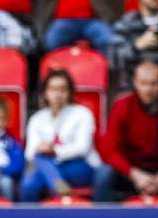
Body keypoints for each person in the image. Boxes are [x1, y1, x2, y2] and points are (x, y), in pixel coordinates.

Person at [95, 61, 158, 202]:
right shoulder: (122, 106)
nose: (148, 89)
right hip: (131, 174)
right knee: (104, 173)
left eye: (153, 83)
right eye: (143, 83)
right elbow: (109, 150)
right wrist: (134, 174)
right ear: (135, 83)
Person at [19, 68, 100, 203]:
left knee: (40, 162)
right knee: (28, 184)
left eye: (63, 89)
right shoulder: (37, 118)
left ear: (69, 92)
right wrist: (41, 149)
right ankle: (57, 186)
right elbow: (29, 153)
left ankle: (55, 183)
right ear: (45, 92)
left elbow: (82, 148)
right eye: (53, 89)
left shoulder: (82, 113)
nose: (58, 94)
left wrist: (53, 151)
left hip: (79, 167)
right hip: (46, 166)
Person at [41, 0, 114, 54]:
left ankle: (105, 70)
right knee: (52, 42)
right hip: (64, 19)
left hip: (92, 20)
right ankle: (57, 71)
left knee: (108, 41)